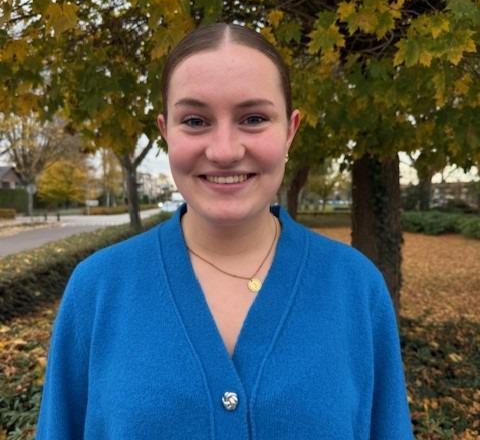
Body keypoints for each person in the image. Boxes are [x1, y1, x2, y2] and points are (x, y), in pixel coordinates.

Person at [36, 23, 414, 439]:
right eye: (195, 120)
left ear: (290, 131)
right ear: (165, 132)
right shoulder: (98, 289)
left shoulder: (355, 287)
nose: (224, 151)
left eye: (253, 119)